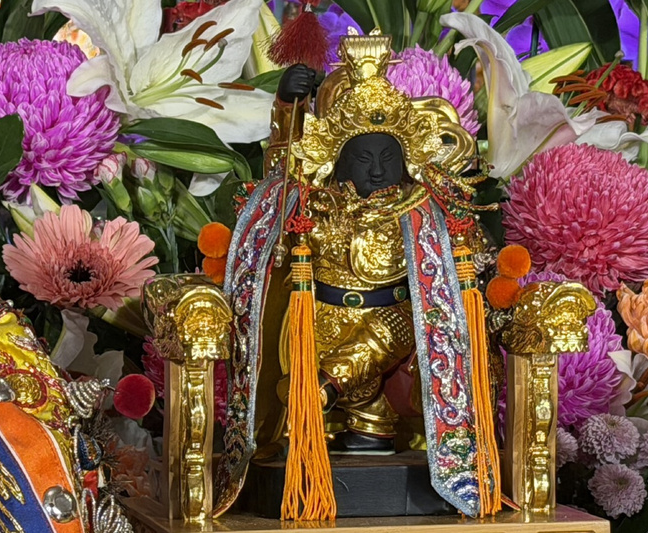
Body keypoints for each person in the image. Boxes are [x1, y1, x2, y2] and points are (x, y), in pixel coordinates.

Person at [214, 32, 499, 519]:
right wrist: (287, 105)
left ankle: (331, 392)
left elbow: (443, 291)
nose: (376, 170)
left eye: (387, 158)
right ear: (337, 161)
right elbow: (282, 171)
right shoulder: (317, 201)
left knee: (369, 378)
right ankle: (321, 409)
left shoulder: (419, 211)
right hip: (314, 321)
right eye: (362, 159)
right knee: (308, 418)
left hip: (387, 320)